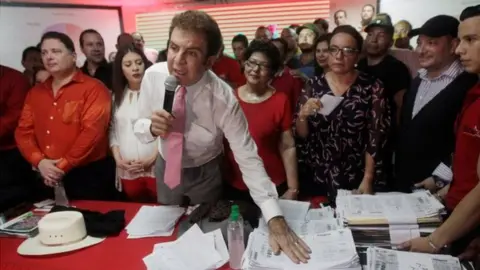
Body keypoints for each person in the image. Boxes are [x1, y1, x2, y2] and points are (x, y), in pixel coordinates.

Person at [133, 10, 310, 264]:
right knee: (166, 237)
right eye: (173, 48)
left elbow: (248, 157)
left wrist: (274, 217)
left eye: (191, 53)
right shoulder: (154, 76)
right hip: (166, 167)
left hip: (207, 172)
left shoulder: (224, 98)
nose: (177, 61)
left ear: (210, 61)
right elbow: (139, 125)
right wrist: (150, 127)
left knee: (206, 244)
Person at [399, 5, 480, 261]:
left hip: (460, 211)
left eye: (431, 43)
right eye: (419, 42)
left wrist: (435, 242)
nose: (460, 50)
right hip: (434, 199)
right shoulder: (419, 79)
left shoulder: (465, 84)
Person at [15, 31, 117, 201]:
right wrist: (39, 162)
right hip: (46, 174)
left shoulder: (94, 88)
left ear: (73, 56)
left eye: (56, 51)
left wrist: (61, 167)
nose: (49, 57)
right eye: (44, 53)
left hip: (87, 175)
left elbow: (92, 133)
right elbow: (23, 131)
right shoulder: (35, 93)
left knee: (94, 224)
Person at [294, 25, 390, 198]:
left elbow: (376, 135)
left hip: (358, 173)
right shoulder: (313, 85)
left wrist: (368, 178)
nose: (339, 56)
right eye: (334, 50)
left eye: (347, 50)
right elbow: (302, 135)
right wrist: (302, 115)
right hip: (319, 173)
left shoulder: (372, 86)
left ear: (358, 55)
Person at [224, 40, 299, 202]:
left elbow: (287, 146)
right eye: (252, 63)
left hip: (272, 184)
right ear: (244, 64)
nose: (255, 70)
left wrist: (293, 188)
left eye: (263, 66)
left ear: (272, 72)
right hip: (236, 185)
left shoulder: (280, 100)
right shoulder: (229, 99)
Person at [110, 45, 157, 202]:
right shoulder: (116, 97)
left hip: (155, 166)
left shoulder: (157, 93)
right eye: (128, 65)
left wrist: (152, 158)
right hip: (127, 169)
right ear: (121, 69)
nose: (135, 68)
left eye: (139, 62)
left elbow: (169, 131)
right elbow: (114, 130)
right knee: (136, 210)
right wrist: (118, 159)